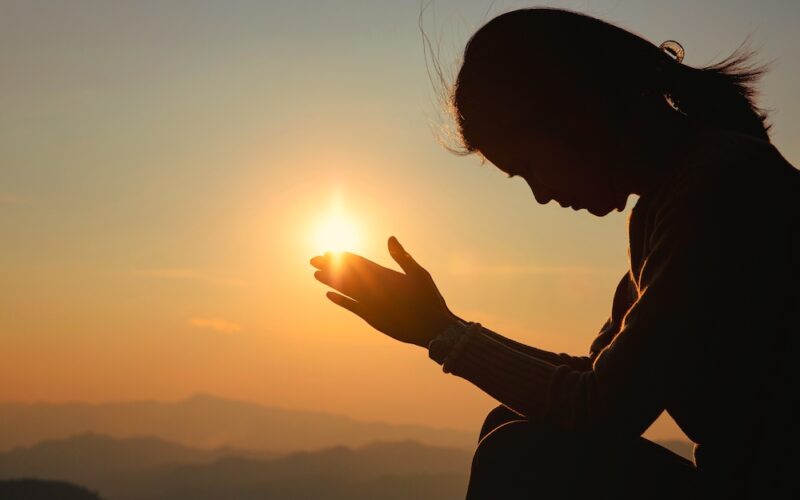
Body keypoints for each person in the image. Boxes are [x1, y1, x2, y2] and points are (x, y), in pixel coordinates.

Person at [309, 7, 799, 499]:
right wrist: (440, 327)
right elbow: (595, 374)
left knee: (519, 456)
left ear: (576, 116)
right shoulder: (668, 202)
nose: (541, 195)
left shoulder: (719, 188)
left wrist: (443, 333)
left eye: (529, 167)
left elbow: (604, 409)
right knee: (512, 421)